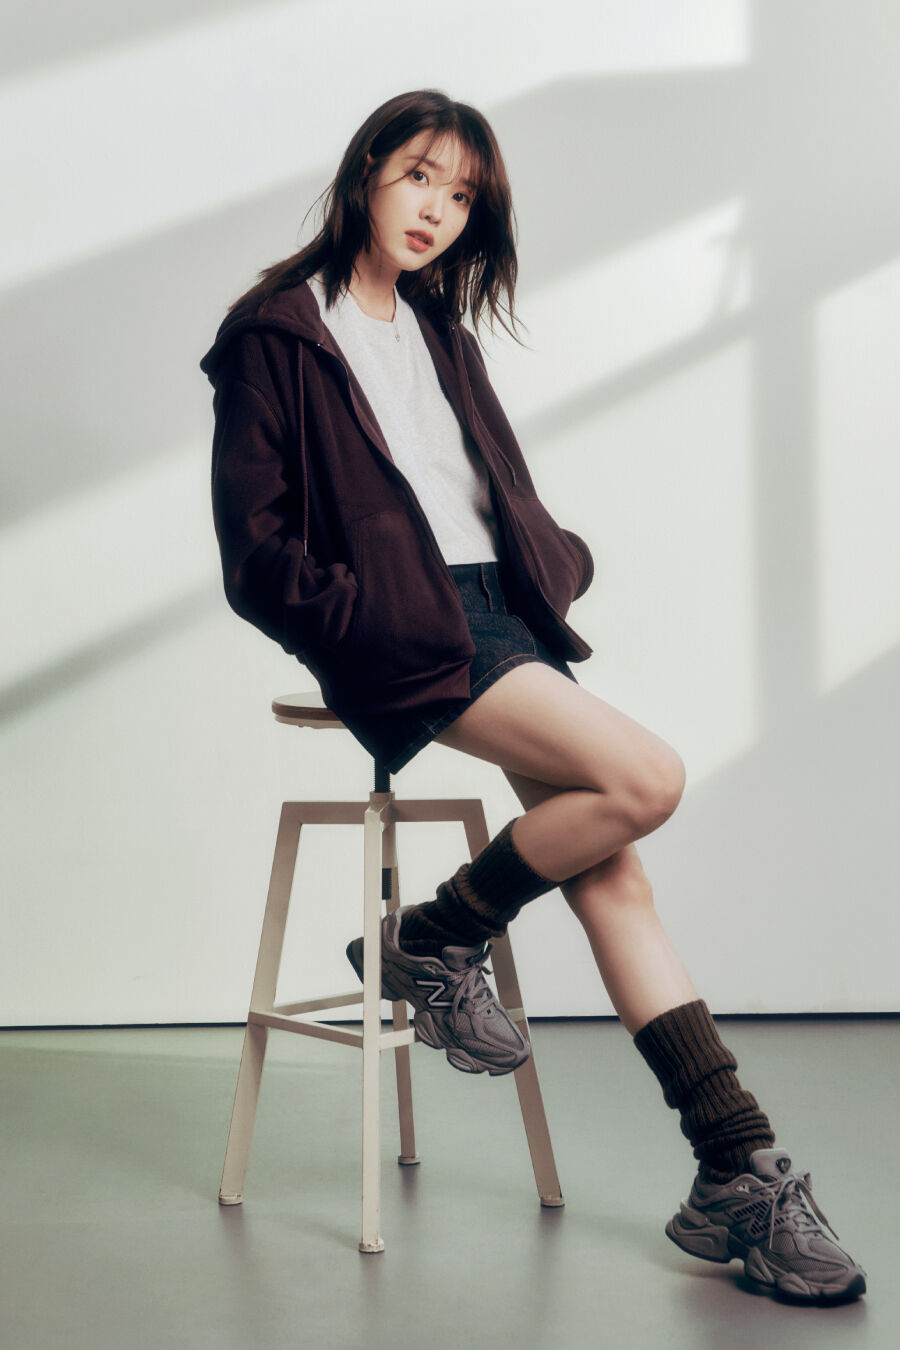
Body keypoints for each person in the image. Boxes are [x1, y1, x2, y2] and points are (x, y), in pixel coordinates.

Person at [199, 89, 866, 1304]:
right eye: (419, 176)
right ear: (366, 170)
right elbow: (256, 555)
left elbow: (480, 484)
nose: (437, 211)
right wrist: (367, 619)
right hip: (410, 629)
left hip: (497, 611)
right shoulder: (277, 332)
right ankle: (432, 939)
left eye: (462, 196)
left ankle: (737, 1168)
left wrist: (552, 556)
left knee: (614, 873)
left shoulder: (437, 329)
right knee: (646, 778)